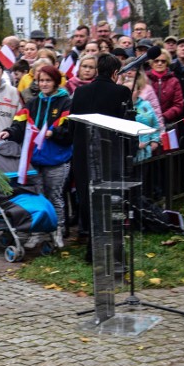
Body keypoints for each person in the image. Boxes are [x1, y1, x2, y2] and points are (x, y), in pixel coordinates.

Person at [0, 65, 73, 248]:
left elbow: (70, 131)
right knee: (38, 198)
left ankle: (57, 231)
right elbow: (19, 124)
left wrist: (53, 134)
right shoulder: (32, 103)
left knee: (54, 196)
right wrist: (8, 132)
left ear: (56, 82)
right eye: (41, 80)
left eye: (48, 80)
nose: (44, 84)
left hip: (57, 159)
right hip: (34, 159)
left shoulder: (66, 103)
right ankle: (38, 232)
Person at [70, 53, 132, 243]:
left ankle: (90, 237)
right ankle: (110, 236)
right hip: (110, 155)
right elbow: (128, 125)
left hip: (83, 155)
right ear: (115, 73)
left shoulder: (80, 92)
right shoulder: (121, 92)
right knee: (110, 195)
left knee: (88, 195)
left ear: (97, 70)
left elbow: (72, 126)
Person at [146, 48, 184, 124]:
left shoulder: (174, 81)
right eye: (156, 61)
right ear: (151, 62)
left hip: (167, 123)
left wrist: (164, 117)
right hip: (146, 121)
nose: (159, 63)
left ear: (167, 62)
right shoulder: (144, 79)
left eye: (163, 61)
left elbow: (178, 105)